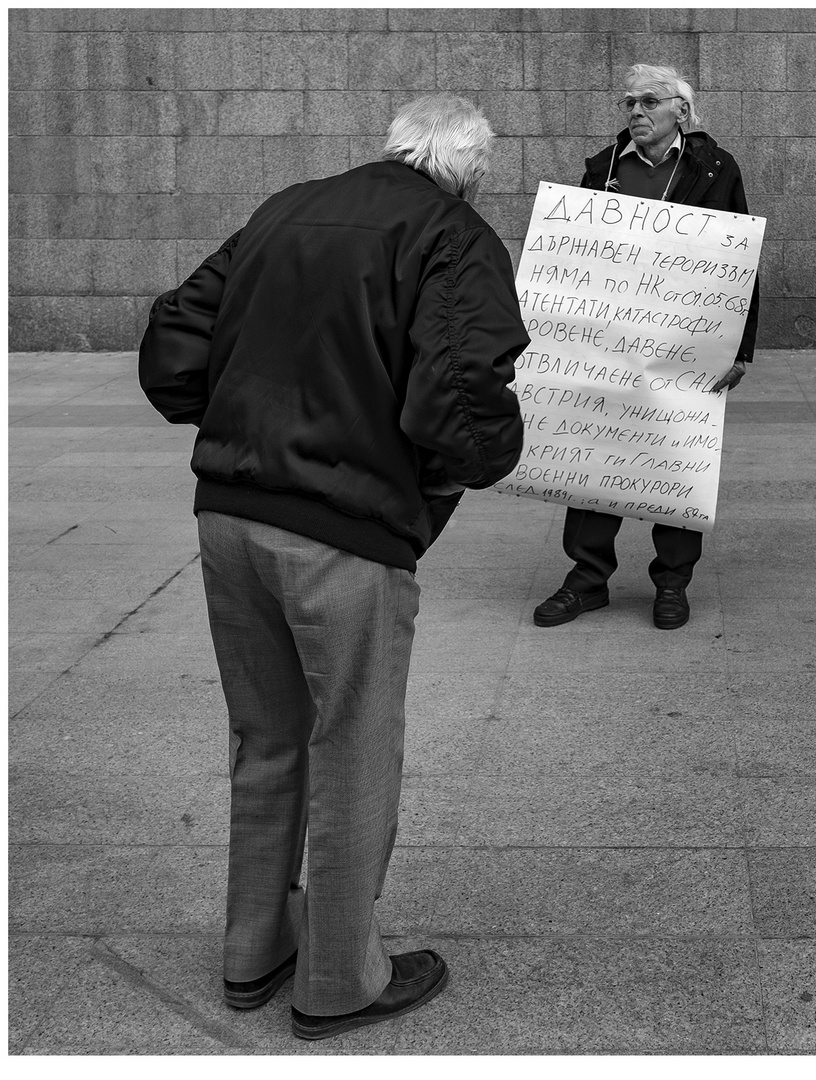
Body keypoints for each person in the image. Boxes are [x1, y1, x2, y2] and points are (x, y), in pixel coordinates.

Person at [139, 94, 528, 1040]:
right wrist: (469, 467)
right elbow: (464, 401)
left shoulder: (287, 205)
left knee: (266, 740)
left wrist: (250, 430)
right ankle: (340, 982)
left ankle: (253, 951)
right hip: (343, 532)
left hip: (231, 514)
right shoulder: (453, 233)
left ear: (394, 144)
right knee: (352, 745)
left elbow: (174, 346)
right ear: (467, 168)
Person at [533, 64, 759, 631]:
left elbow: (740, 261)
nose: (635, 111)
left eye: (649, 102)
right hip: (609, 341)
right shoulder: (603, 168)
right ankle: (586, 581)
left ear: (680, 112)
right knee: (594, 453)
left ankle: (672, 583)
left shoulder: (714, 168)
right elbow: (576, 255)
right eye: (629, 102)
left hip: (687, 343)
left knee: (677, 456)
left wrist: (741, 347)